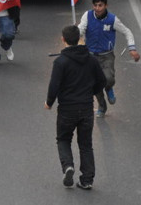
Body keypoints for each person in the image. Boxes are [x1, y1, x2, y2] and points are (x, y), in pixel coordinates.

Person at [45, 25, 107, 190]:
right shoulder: (91, 59)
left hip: (67, 109)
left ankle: (68, 166)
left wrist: (49, 102)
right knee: (86, 144)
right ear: (79, 38)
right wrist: (90, 93)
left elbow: (54, 86)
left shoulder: (60, 62)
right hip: (86, 109)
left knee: (63, 139)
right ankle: (87, 180)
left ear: (63, 39)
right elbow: (101, 81)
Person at [77, 0, 141, 117]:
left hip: (107, 56)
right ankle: (102, 106)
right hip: (90, 56)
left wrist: (132, 48)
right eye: (95, 5)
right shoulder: (87, 16)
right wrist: (76, 34)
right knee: (94, 85)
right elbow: (81, 28)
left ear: (106, 5)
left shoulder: (113, 19)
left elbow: (127, 32)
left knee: (108, 79)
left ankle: (109, 87)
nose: (97, 8)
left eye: (100, 5)